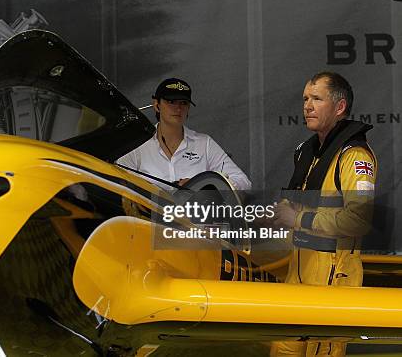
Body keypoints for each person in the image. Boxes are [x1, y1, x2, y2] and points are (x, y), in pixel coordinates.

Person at [270, 72, 377, 357]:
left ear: (339, 107)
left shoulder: (355, 157)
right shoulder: (306, 152)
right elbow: (293, 206)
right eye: (305, 99)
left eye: (316, 98)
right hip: (297, 277)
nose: (307, 105)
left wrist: (299, 220)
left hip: (333, 281)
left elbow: (358, 219)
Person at [116, 77, 251, 190]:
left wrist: (203, 186)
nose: (178, 108)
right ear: (157, 105)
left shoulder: (204, 143)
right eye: (171, 102)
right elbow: (117, 179)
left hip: (195, 220)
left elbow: (243, 182)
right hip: (146, 219)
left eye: (184, 103)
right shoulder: (138, 143)